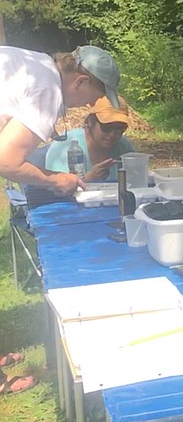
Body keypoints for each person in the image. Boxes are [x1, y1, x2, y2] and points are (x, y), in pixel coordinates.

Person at [0, 43, 121, 395]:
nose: (87, 106)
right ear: (80, 81)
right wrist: (54, 180)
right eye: (92, 98)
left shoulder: (36, 64)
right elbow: (6, 161)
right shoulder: (49, 90)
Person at [45, 96, 135, 181]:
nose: (112, 134)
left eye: (120, 128)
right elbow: (56, 187)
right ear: (91, 122)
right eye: (107, 127)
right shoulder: (64, 145)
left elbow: (136, 178)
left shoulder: (124, 146)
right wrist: (89, 178)